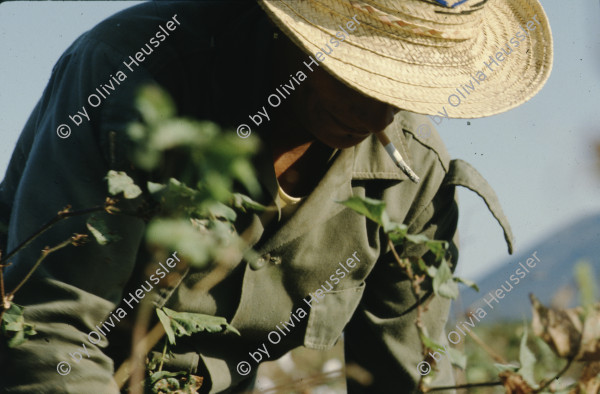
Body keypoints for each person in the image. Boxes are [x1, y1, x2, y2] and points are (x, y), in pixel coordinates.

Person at [0, 0, 551, 393]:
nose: (377, 112)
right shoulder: (132, 76)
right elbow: (50, 332)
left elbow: (409, 378)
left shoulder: (413, 174)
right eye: (355, 72)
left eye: (401, 89)